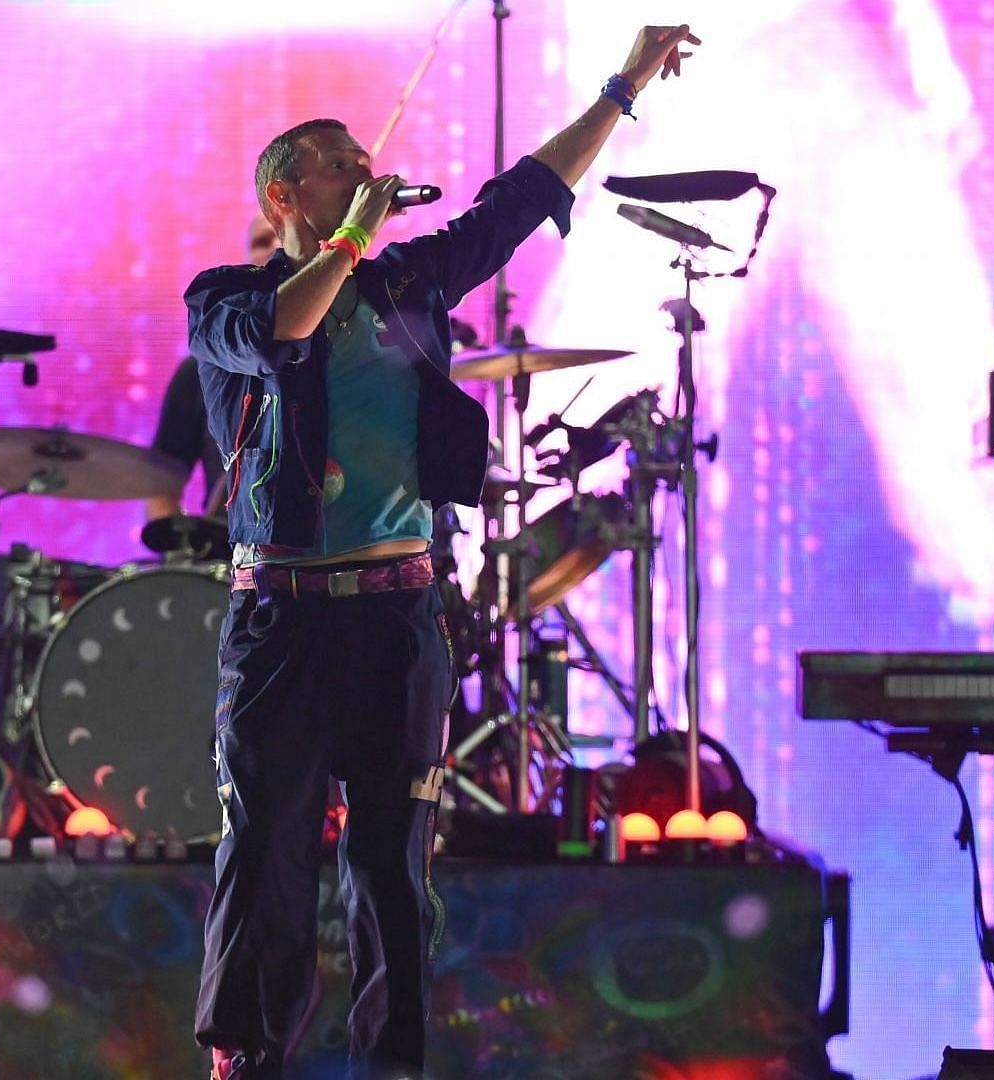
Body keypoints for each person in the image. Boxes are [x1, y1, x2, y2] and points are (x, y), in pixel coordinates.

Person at [184, 24, 701, 1080]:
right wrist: (349, 244)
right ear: (286, 194)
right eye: (341, 163)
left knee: (391, 865)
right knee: (268, 853)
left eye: (366, 164)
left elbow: (519, 200)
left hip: (397, 617)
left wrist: (625, 82)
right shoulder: (224, 301)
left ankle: (398, 1063)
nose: (366, 173)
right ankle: (247, 1054)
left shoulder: (406, 283)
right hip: (282, 618)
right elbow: (285, 330)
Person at [147, 218, 281, 526]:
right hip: (233, 551)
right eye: (262, 241)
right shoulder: (200, 366)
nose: (275, 248)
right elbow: (158, 480)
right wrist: (178, 548)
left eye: (284, 236)